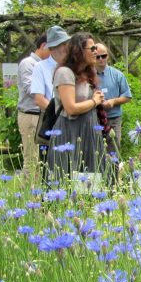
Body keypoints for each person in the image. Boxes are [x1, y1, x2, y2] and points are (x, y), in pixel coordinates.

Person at [46, 33, 106, 181]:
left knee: (92, 178)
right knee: (67, 176)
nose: (95, 52)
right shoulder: (64, 73)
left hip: (88, 130)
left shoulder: (87, 73)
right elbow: (70, 108)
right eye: (91, 48)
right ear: (78, 50)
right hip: (70, 131)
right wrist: (94, 101)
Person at [17, 33, 51, 181]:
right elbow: (31, 89)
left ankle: (41, 192)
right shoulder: (29, 63)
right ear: (43, 46)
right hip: (31, 115)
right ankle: (30, 197)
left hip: (43, 115)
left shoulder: (46, 65)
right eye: (53, 49)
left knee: (44, 160)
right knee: (32, 158)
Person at [94, 43, 132, 155]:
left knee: (113, 152)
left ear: (108, 56)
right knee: (95, 152)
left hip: (113, 119)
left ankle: (113, 172)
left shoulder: (117, 75)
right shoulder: (88, 75)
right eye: (97, 56)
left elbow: (127, 96)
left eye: (103, 56)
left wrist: (113, 101)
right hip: (94, 119)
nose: (101, 59)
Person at [31, 26, 71, 111]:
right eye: (62, 44)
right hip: (54, 119)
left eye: (67, 43)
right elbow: (39, 100)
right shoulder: (40, 67)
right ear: (52, 48)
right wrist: (58, 116)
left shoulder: (72, 66)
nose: (66, 47)